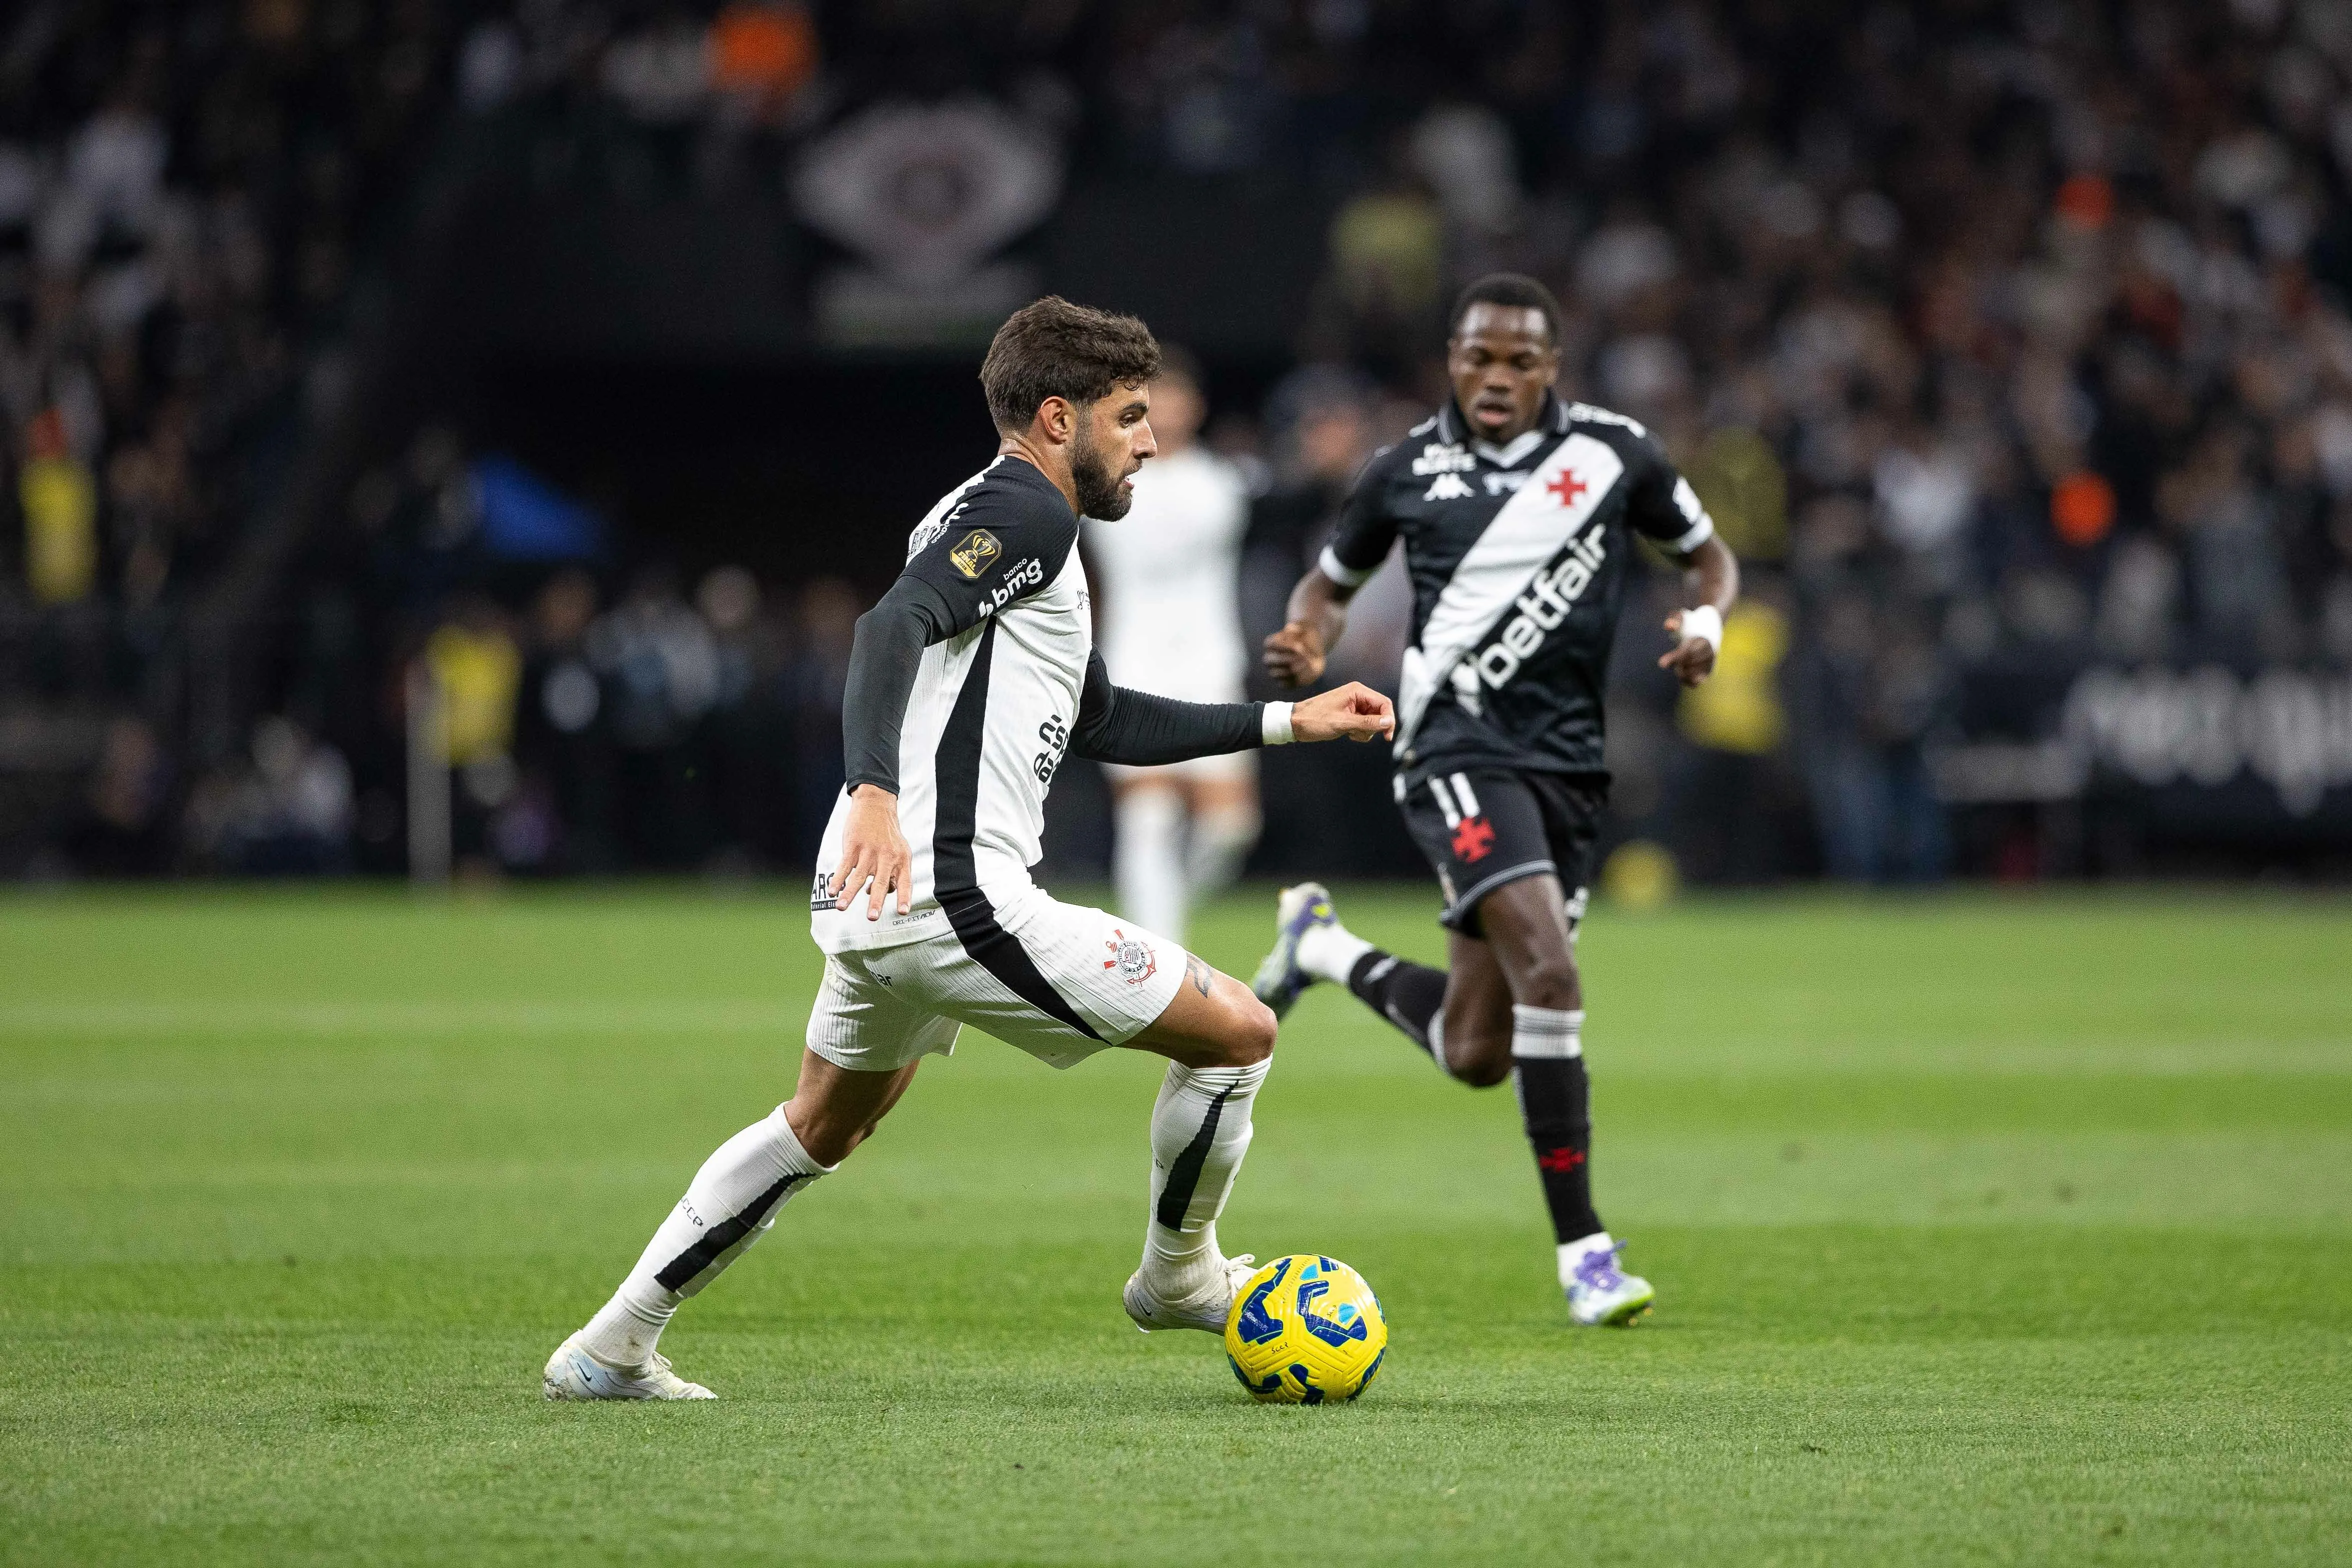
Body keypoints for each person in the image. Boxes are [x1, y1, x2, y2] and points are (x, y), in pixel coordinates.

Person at [545, 297, 1395, 1400]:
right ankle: (1180, 1276)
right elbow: (888, 624)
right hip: (951, 889)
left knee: (822, 1123)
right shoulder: (1023, 510)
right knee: (1239, 1032)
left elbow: (1101, 719)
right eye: (1129, 416)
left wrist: (1288, 720)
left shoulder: (1006, 520)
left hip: (880, 894)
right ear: (1058, 419)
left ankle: (610, 1345)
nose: (1150, 441)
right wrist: (872, 789)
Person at [1253, 273, 1739, 1328]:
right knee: (1551, 972)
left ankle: (1320, 946)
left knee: (1477, 1049)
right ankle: (1587, 1253)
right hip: (1452, 749)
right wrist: (1307, 638)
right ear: (1453, 360)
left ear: (1551, 367)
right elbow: (1328, 585)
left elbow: (1708, 557)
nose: (1498, 377)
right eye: (1480, 356)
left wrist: (1706, 623)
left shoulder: (1613, 453)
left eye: (1521, 360)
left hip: (1569, 768)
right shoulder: (1405, 469)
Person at [1084, 346, 1257, 944]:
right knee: (1149, 816)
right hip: (1134, 658)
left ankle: (1168, 910)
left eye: (1173, 400)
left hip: (1209, 661)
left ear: (1196, 406)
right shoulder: (1102, 484)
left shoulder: (1221, 483)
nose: (1163, 414)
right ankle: (1155, 952)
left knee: (1230, 828)